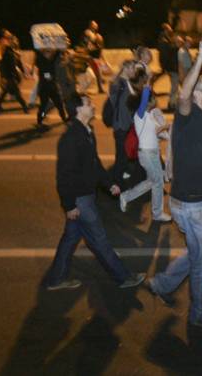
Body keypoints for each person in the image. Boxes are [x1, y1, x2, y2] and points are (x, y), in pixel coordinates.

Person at [143, 30, 202, 333]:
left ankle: (161, 284)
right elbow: (183, 92)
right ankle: (201, 314)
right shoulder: (188, 113)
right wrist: (200, 56)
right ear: (196, 94)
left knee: (197, 254)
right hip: (194, 206)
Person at [45, 93, 147, 291]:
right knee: (99, 240)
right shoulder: (70, 138)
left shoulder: (86, 131)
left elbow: (94, 164)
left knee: (70, 239)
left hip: (85, 196)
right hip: (80, 199)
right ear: (78, 110)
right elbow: (63, 176)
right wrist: (69, 205)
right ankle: (123, 277)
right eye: (88, 104)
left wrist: (109, 184)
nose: (93, 106)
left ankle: (56, 279)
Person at [120, 78, 171, 222]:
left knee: (153, 181)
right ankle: (157, 213)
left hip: (153, 153)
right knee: (158, 182)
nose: (155, 101)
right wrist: (147, 88)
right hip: (146, 154)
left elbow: (156, 133)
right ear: (147, 101)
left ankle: (126, 196)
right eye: (153, 98)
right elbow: (143, 103)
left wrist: (166, 130)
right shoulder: (139, 115)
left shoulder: (150, 115)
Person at [0, 34, 29, 113]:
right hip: (10, 75)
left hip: (10, 75)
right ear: (10, 42)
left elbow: (18, 63)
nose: (15, 42)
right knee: (17, 93)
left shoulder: (12, 51)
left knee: (5, 91)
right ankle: (24, 106)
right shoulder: (8, 52)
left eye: (15, 40)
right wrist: (7, 76)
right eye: (13, 41)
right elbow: (6, 65)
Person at [35, 48, 68, 129]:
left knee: (59, 103)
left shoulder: (50, 59)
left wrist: (59, 49)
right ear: (43, 52)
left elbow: (56, 56)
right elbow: (44, 73)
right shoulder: (40, 60)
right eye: (47, 51)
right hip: (44, 88)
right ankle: (40, 121)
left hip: (53, 87)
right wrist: (49, 77)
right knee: (43, 107)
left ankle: (64, 118)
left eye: (50, 51)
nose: (50, 53)